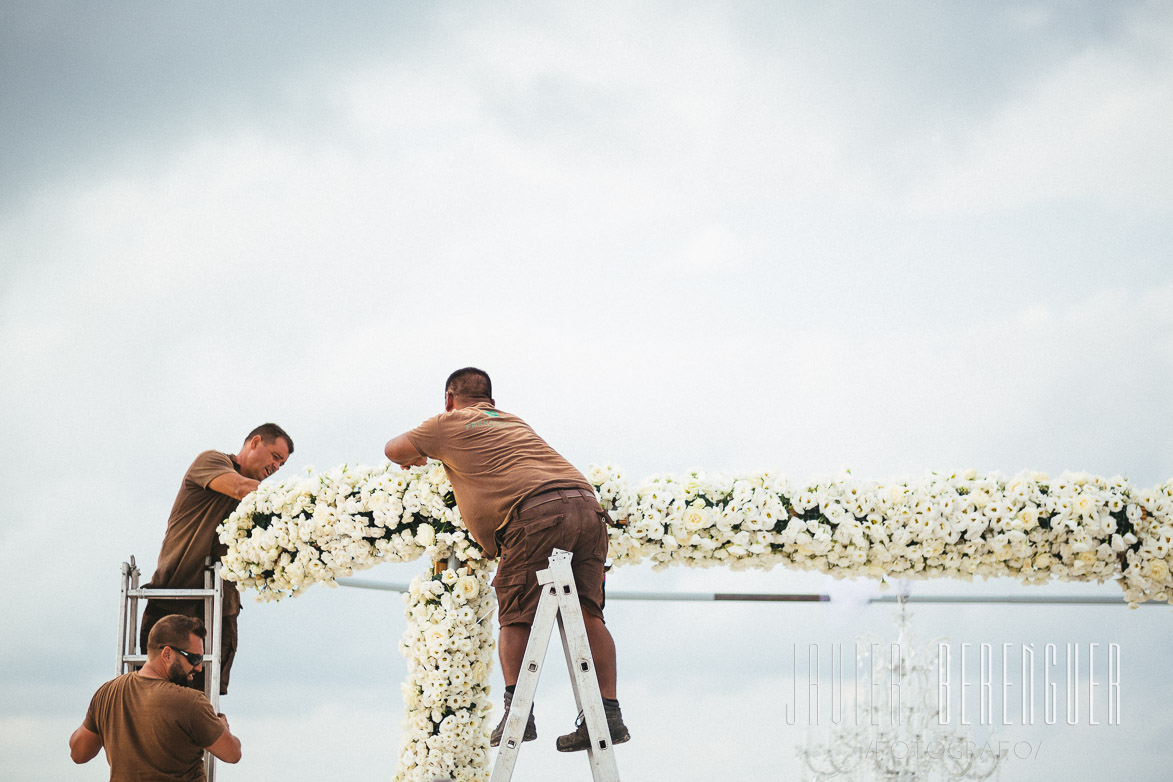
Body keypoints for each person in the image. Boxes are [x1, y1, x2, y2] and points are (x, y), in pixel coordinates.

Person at [384, 368, 628, 752]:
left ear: (449, 398)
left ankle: (519, 714)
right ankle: (609, 715)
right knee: (587, 613)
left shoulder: (447, 422)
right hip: (587, 507)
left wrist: (421, 453)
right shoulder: (512, 420)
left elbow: (393, 449)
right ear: (490, 400)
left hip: (536, 515)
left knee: (514, 611)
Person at [140, 423, 293, 695]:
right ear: (255, 442)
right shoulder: (212, 462)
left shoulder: (259, 500)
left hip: (221, 608)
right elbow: (240, 489)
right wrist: (304, 506)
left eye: (282, 464)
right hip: (175, 598)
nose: (277, 467)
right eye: (275, 457)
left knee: (204, 703)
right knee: (152, 696)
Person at [70, 614, 243, 777]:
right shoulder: (191, 701)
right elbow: (232, 753)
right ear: (167, 654)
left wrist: (102, 718)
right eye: (194, 659)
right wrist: (222, 727)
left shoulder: (106, 693)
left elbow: (78, 753)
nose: (198, 667)